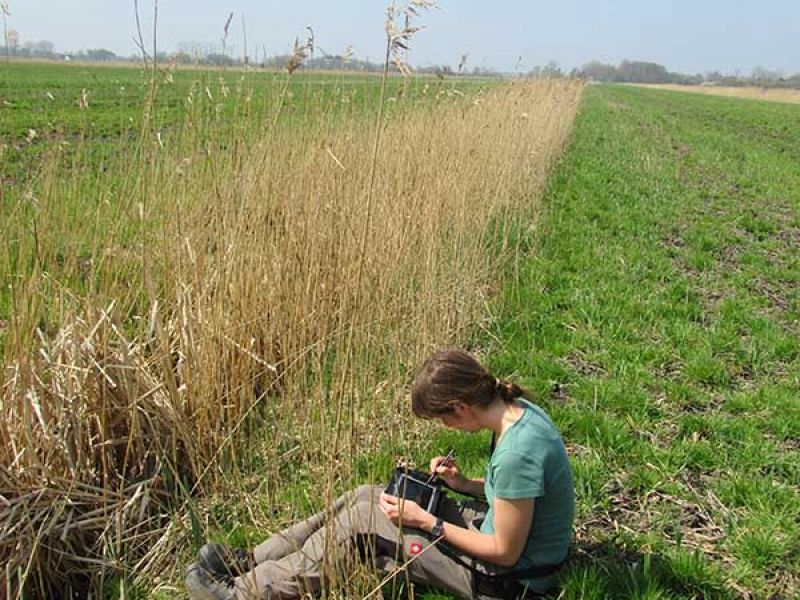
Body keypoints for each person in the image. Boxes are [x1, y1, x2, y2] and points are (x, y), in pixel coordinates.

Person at [185, 348, 574, 599]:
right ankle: (252, 560)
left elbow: (504, 552)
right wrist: (462, 484)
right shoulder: (515, 410)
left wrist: (428, 521)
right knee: (368, 494)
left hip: (510, 581)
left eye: (442, 419)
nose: (446, 428)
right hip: (511, 542)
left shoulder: (516, 452)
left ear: (459, 407)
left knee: (363, 524)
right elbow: (516, 498)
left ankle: (244, 593)